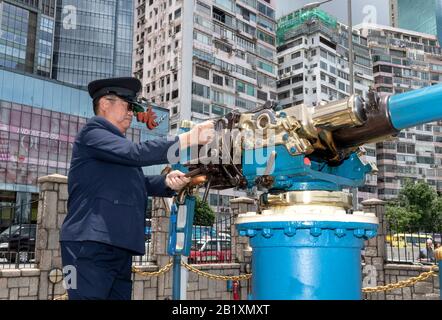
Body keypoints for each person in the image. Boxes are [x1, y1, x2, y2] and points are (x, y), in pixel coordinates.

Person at [60, 77, 214, 300]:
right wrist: (188, 139)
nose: (131, 112)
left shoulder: (115, 147)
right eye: (127, 105)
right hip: (88, 245)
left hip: (117, 245)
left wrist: (169, 182)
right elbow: (136, 153)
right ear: (105, 103)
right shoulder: (93, 133)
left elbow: (139, 183)